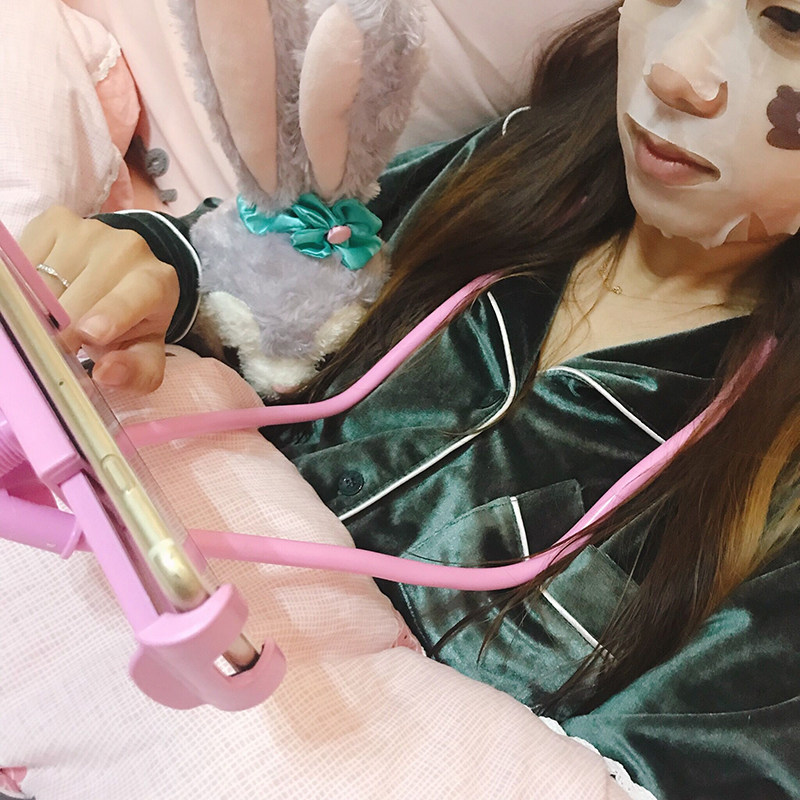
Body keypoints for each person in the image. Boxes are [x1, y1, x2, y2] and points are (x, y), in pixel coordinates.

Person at [17, 1, 800, 797]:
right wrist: (145, 275)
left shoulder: (780, 505)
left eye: (789, 23)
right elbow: (266, 266)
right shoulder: (508, 166)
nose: (675, 72)